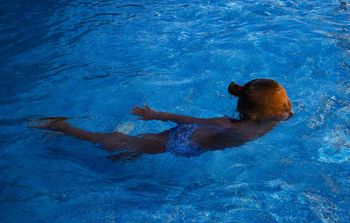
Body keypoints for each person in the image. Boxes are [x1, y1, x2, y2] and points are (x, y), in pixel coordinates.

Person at [33, 78, 293, 160]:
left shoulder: (273, 118)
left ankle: (129, 153)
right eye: (285, 107)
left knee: (139, 148)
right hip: (184, 140)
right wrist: (157, 115)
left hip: (197, 143)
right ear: (261, 114)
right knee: (123, 143)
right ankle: (63, 127)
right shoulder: (226, 125)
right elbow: (189, 119)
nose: (289, 110)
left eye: (288, 105)